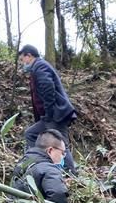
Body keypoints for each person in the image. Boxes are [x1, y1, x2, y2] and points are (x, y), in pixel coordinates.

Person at [18, 44, 77, 174]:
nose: (22, 63)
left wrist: (49, 113)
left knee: (61, 144)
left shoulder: (40, 66)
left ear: (29, 56)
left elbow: (48, 88)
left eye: (22, 60)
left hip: (56, 115)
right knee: (31, 134)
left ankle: (70, 174)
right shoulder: (37, 68)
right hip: (51, 115)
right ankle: (38, 163)